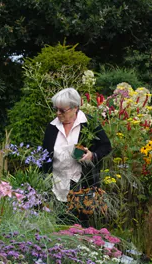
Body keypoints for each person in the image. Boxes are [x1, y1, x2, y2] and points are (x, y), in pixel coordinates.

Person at [41, 88, 112, 219]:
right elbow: (44, 155)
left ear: (75, 108)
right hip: (55, 186)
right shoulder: (52, 127)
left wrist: (92, 155)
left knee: (78, 229)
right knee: (56, 226)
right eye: (55, 109)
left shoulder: (89, 124)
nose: (58, 113)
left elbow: (106, 146)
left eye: (62, 110)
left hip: (81, 187)